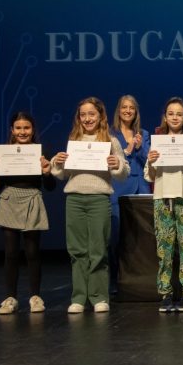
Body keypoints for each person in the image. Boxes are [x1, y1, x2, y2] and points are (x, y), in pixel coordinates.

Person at [51, 97, 129, 314]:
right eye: (83, 115)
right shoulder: (74, 139)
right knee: (76, 250)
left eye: (91, 114)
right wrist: (58, 162)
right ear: (79, 118)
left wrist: (117, 164)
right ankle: (79, 297)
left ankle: (99, 296)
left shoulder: (110, 141)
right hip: (75, 199)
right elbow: (61, 174)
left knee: (98, 249)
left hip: (99, 199)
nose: (87, 119)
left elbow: (124, 172)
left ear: (100, 116)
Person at [0, 112, 55, 314]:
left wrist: (47, 171)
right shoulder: (4, 153)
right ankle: (10, 298)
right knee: (11, 253)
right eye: (18, 128)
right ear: (12, 130)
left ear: (33, 130)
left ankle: (35, 297)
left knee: (32, 252)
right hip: (9, 200)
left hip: (32, 199)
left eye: (26, 128)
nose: (22, 132)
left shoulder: (40, 152)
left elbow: (50, 186)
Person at [145, 97, 183, 313]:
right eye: (171, 113)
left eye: (179, 114)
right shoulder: (157, 142)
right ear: (165, 117)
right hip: (162, 197)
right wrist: (152, 161)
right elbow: (149, 175)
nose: (174, 117)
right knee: (164, 247)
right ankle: (166, 293)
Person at [109, 95, 150, 292]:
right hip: (118, 187)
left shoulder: (144, 133)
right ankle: (114, 280)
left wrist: (140, 147)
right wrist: (127, 150)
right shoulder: (110, 134)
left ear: (136, 111)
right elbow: (112, 161)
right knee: (116, 238)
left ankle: (139, 279)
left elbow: (148, 161)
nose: (127, 111)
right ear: (119, 110)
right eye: (124, 107)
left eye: (131, 108)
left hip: (140, 186)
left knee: (141, 236)